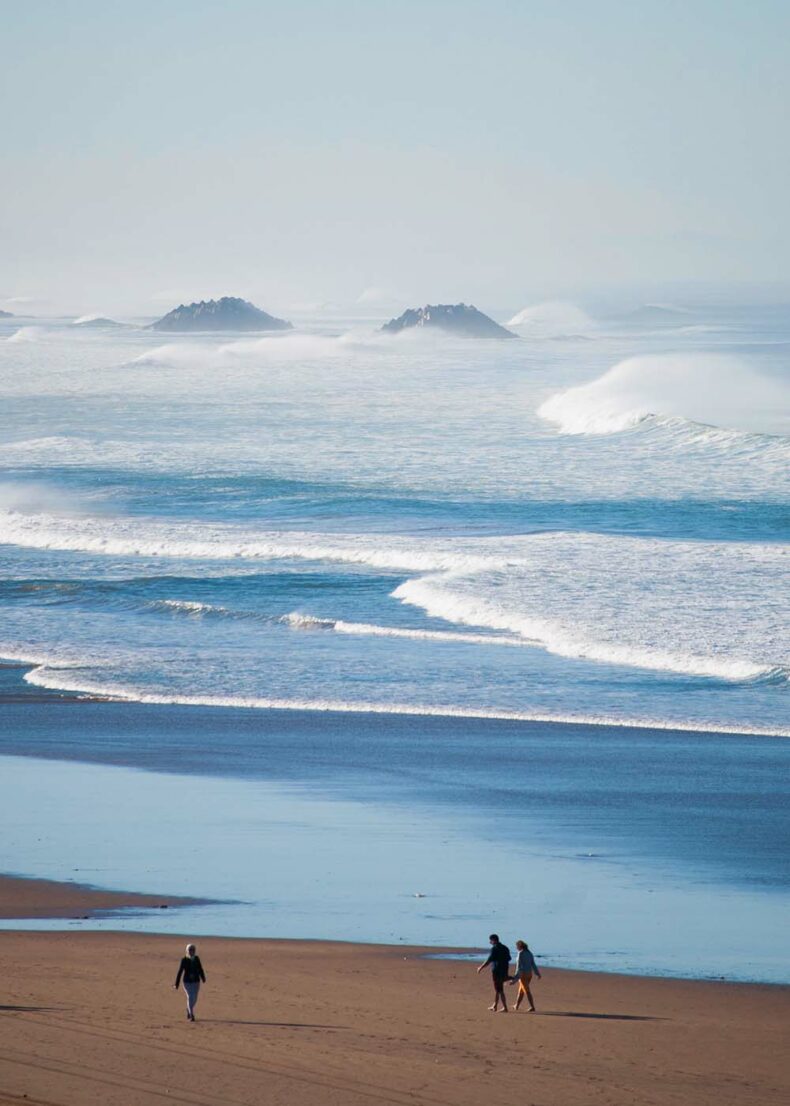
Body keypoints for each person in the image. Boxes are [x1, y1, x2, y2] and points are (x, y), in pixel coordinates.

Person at [476, 933, 511, 1012]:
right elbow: (509, 958)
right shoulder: (505, 948)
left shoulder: (494, 949)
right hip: (504, 970)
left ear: (494, 940)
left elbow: (489, 960)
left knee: (499, 989)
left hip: (496, 971)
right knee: (498, 988)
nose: (490, 942)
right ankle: (495, 1005)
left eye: (490, 941)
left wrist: (480, 967)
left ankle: (505, 1007)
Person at [174, 943, 206, 1021]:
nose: (192, 951)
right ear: (187, 951)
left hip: (196, 981)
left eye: (193, 950)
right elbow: (180, 971)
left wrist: (203, 977)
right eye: (190, 950)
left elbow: (200, 968)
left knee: (194, 998)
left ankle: (188, 1009)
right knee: (190, 997)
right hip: (187, 982)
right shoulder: (184, 960)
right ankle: (191, 1015)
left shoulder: (197, 958)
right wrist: (176, 984)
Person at [510, 939, 541, 1011]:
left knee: (527, 991)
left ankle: (532, 1007)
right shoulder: (530, 953)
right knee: (521, 990)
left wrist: (515, 979)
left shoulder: (520, 953)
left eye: (516, 946)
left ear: (519, 946)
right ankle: (516, 1005)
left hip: (523, 975)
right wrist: (537, 973)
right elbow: (533, 964)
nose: (516, 948)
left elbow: (519, 967)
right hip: (529, 974)